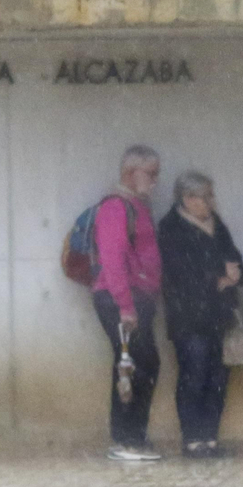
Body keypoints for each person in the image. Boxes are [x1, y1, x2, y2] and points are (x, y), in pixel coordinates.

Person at [157, 171, 243, 459]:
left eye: (211, 195)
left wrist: (234, 272)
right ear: (188, 199)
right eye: (206, 196)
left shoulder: (216, 224)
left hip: (219, 315)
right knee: (193, 375)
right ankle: (193, 439)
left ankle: (210, 437)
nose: (211, 202)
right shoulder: (170, 228)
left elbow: (234, 255)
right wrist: (218, 279)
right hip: (188, 318)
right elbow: (178, 274)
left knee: (218, 376)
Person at [92, 145, 164, 463]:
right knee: (134, 364)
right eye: (151, 173)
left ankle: (133, 436)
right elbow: (112, 259)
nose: (155, 180)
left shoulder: (137, 205)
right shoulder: (115, 207)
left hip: (136, 297)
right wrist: (125, 304)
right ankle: (126, 439)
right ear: (130, 172)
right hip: (119, 297)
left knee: (140, 363)